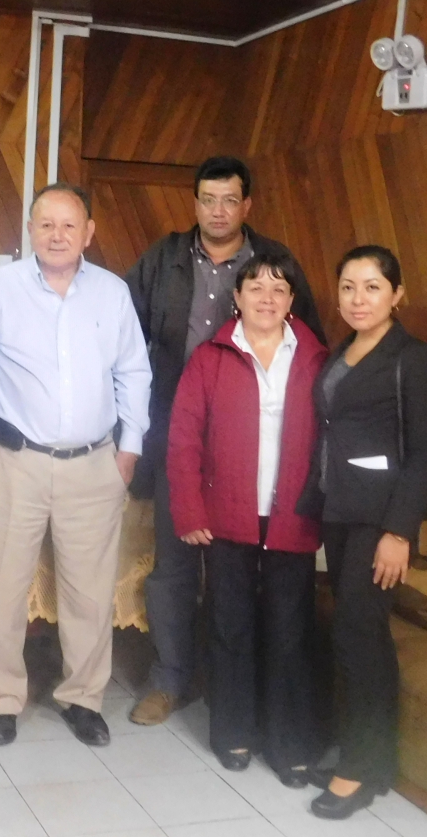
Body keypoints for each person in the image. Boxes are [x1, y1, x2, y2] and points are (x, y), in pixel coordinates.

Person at [126, 156, 326, 727]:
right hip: (180, 437)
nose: (218, 211)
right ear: (194, 203)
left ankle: (233, 687)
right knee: (175, 566)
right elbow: (122, 337)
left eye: (229, 200)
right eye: (208, 200)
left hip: (258, 450)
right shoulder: (163, 259)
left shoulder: (273, 263)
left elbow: (311, 350)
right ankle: (169, 678)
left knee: (242, 575)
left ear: (247, 206)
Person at [0, 182, 151, 748]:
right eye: (46, 224)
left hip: (93, 465)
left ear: (89, 232)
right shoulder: (1, 288)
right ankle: (1, 699)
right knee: (4, 589)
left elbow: (133, 373)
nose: (58, 235)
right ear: (30, 231)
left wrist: (129, 448)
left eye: (70, 225)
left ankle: (82, 697)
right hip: (12, 460)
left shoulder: (112, 293)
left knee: (89, 593)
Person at [300, 245, 427, 819]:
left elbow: (426, 454)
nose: (357, 299)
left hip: (380, 520)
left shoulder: (415, 359)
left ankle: (359, 769)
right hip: (339, 511)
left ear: (397, 294)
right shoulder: (343, 351)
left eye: (371, 287)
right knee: (358, 634)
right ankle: (370, 758)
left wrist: (399, 533)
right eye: (347, 287)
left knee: (358, 633)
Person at [166, 251, 327, 787]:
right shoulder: (210, 357)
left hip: (293, 517)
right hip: (226, 515)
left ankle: (288, 743)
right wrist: (189, 508)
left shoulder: (315, 358)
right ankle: (232, 731)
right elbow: (183, 438)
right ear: (236, 297)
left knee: (290, 631)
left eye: (279, 289)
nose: (266, 298)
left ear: (292, 301)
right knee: (229, 625)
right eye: (255, 287)